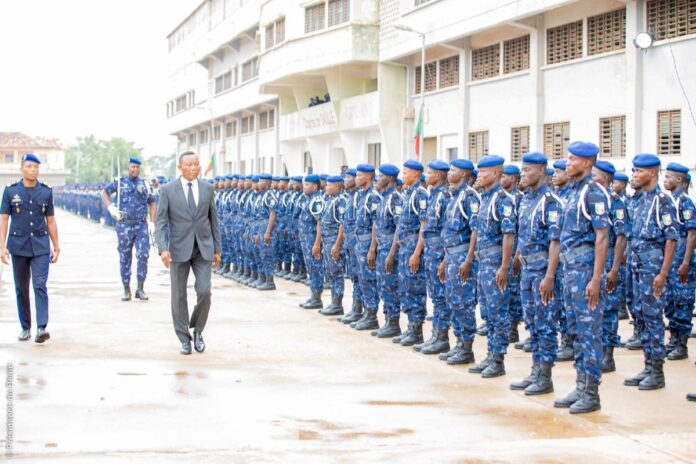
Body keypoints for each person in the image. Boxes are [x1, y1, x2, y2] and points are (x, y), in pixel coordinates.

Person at [553, 141, 609, 414]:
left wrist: (596, 279)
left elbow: (602, 237)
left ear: (587, 163)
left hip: (586, 272)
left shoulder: (593, 193)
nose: (568, 163)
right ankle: (580, 385)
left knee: (589, 332)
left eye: (573, 159)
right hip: (570, 272)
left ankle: (592, 392)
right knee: (575, 330)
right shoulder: (572, 192)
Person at [155, 151, 221, 355]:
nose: (193, 168)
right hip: (177, 249)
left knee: (204, 291)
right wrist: (163, 248)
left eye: (196, 165)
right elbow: (162, 222)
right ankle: (184, 337)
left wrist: (218, 249)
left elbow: (213, 220)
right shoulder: (167, 190)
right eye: (189, 165)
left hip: (203, 248)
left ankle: (198, 330)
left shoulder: (208, 188)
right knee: (179, 295)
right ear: (180, 167)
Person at [623, 154, 678, 391]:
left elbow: (671, 238)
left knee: (653, 317)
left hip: (652, 268)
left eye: (638, 171)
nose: (634, 175)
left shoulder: (662, 202)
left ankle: (657, 370)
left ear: (652, 173)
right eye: (633, 171)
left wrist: (663, 273)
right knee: (640, 315)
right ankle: (647, 365)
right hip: (636, 267)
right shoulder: (636, 201)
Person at [510, 152, 561, 394]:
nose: (523, 174)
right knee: (532, 322)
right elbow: (522, 234)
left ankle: (545, 376)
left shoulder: (550, 201)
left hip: (542, 270)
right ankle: (535, 370)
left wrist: (550, 276)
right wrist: (517, 258)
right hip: (527, 270)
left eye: (527, 170)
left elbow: (555, 241)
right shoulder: (526, 199)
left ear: (541, 170)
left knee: (546, 323)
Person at [0, 153, 60, 343]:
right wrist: (2, 246)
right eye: (29, 166)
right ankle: (25, 327)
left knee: (39, 285)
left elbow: (50, 220)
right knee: (21, 288)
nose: (33, 170)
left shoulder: (45, 192)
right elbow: (3, 219)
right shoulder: (10, 192)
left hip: (41, 246)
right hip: (18, 246)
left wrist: (56, 246)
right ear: (22, 169)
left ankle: (42, 327)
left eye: (36, 167)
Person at [469, 155, 516, 378]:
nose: (479, 175)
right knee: (488, 313)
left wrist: (505, 267)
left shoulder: (502, 199)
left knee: (499, 313)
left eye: (484, 171)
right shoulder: (485, 198)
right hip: (484, 264)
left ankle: (498, 359)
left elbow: (508, 236)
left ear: (495, 173)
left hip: (496, 263)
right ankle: (489, 354)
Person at [437, 159, 480, 365]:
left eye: (453, 170)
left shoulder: (470, 197)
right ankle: (459, 344)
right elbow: (449, 234)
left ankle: (467, 347)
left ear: (463, 174)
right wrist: (445, 260)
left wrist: (469, 260)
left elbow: (475, 231)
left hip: (463, 257)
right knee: (453, 302)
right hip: (452, 256)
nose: (449, 173)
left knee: (464, 303)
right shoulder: (454, 196)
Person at [101, 157, 156, 301]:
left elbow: (152, 203)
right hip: (124, 224)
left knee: (143, 255)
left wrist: (152, 223)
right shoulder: (120, 183)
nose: (135, 170)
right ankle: (126, 289)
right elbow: (104, 193)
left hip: (141, 224)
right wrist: (111, 207)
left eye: (138, 167)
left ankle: (140, 288)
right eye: (133, 167)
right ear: (128, 168)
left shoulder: (145, 184)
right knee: (125, 256)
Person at [388, 160, 428, 346]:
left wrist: (417, 253)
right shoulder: (408, 194)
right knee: (405, 288)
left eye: (406, 172)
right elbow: (400, 226)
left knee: (415, 289)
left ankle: (416, 330)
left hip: (413, 248)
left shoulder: (420, 195)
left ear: (416, 174)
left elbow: (423, 227)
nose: (403, 176)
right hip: (404, 248)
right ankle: (410, 328)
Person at [591, 160, 626, 374]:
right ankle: (598, 351)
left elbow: (621, 237)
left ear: (604, 179)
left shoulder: (615, 202)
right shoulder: (593, 198)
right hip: (597, 259)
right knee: (596, 310)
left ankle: (609, 355)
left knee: (610, 309)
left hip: (611, 257)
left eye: (594, 176)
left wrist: (614, 269)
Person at [416, 160, 452, 354]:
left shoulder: (445, 197)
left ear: (438, 176)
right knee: (436, 297)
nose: (426, 176)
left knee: (441, 297)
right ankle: (436, 335)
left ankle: (442, 337)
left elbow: (448, 231)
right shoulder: (432, 195)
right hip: (431, 252)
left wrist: (445, 259)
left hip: (439, 253)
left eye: (429, 173)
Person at [663, 162, 695, 360]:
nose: (664, 180)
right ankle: (674, 340)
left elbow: (692, 234)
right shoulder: (669, 201)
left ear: (679, 180)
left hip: (683, 261)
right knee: (671, 301)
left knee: (683, 300)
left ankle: (681, 345)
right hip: (672, 260)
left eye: (668, 177)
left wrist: (685, 262)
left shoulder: (685, 202)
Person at [372, 164, 402, 338]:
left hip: (390, 250)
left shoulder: (395, 198)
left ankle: (393, 323)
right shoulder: (383, 198)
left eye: (381, 176)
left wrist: (391, 253)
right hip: (382, 248)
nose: (377, 179)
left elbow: (399, 227)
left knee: (390, 286)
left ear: (390, 179)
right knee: (384, 286)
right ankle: (388, 321)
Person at [317, 176, 346, 315]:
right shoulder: (329, 200)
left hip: (334, 241)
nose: (326, 187)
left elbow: (342, 224)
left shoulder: (340, 201)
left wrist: (337, 244)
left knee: (336, 273)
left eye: (329, 185)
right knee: (331, 273)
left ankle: (337, 304)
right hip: (327, 241)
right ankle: (334, 302)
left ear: (337, 187)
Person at [297, 175, 325, 309]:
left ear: (315, 186)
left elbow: (320, 223)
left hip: (312, 241)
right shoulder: (308, 199)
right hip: (306, 240)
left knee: (316, 268)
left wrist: (317, 244)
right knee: (311, 269)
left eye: (307, 185)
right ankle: (313, 295)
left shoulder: (317, 200)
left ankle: (317, 298)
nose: (304, 187)